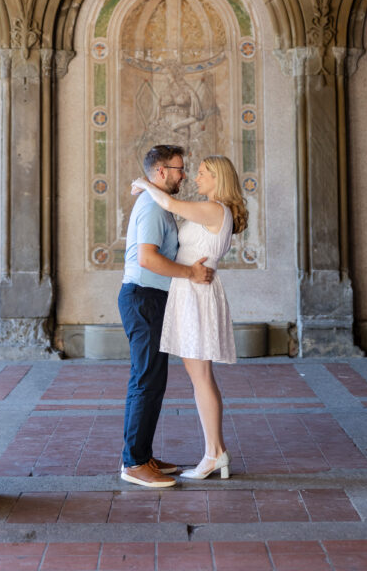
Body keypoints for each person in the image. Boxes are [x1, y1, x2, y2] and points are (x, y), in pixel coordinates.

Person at [131, 154, 248, 481]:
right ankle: (215, 451)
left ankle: (215, 453)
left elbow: (169, 203)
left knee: (201, 378)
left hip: (195, 293)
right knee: (200, 377)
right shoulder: (212, 209)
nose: (196, 178)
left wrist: (143, 183)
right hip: (191, 291)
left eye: (203, 173)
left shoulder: (215, 209)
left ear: (218, 179)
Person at [118, 144, 214, 489]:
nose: (183, 175)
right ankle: (134, 463)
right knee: (146, 380)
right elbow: (147, 259)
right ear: (160, 172)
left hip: (151, 299)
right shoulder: (153, 208)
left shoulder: (158, 202)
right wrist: (190, 273)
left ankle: (142, 454)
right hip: (143, 299)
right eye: (178, 169)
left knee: (153, 380)